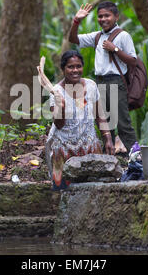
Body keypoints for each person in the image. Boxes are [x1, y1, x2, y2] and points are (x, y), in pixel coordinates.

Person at [69, 1, 138, 153]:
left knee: (122, 123)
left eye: (107, 15)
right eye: (100, 16)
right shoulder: (97, 36)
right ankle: (110, 160)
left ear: (116, 16)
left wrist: (116, 49)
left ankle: (138, 159)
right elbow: (73, 39)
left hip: (115, 81)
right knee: (105, 124)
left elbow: (133, 60)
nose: (103, 19)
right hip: (99, 83)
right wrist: (76, 21)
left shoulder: (123, 35)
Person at [46, 50, 114, 190]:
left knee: (94, 189)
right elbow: (58, 124)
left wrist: (107, 138)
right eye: (70, 67)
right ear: (63, 69)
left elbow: (99, 114)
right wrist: (61, 107)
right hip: (63, 148)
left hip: (89, 145)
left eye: (78, 66)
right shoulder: (56, 92)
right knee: (64, 191)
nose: (75, 70)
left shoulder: (91, 86)